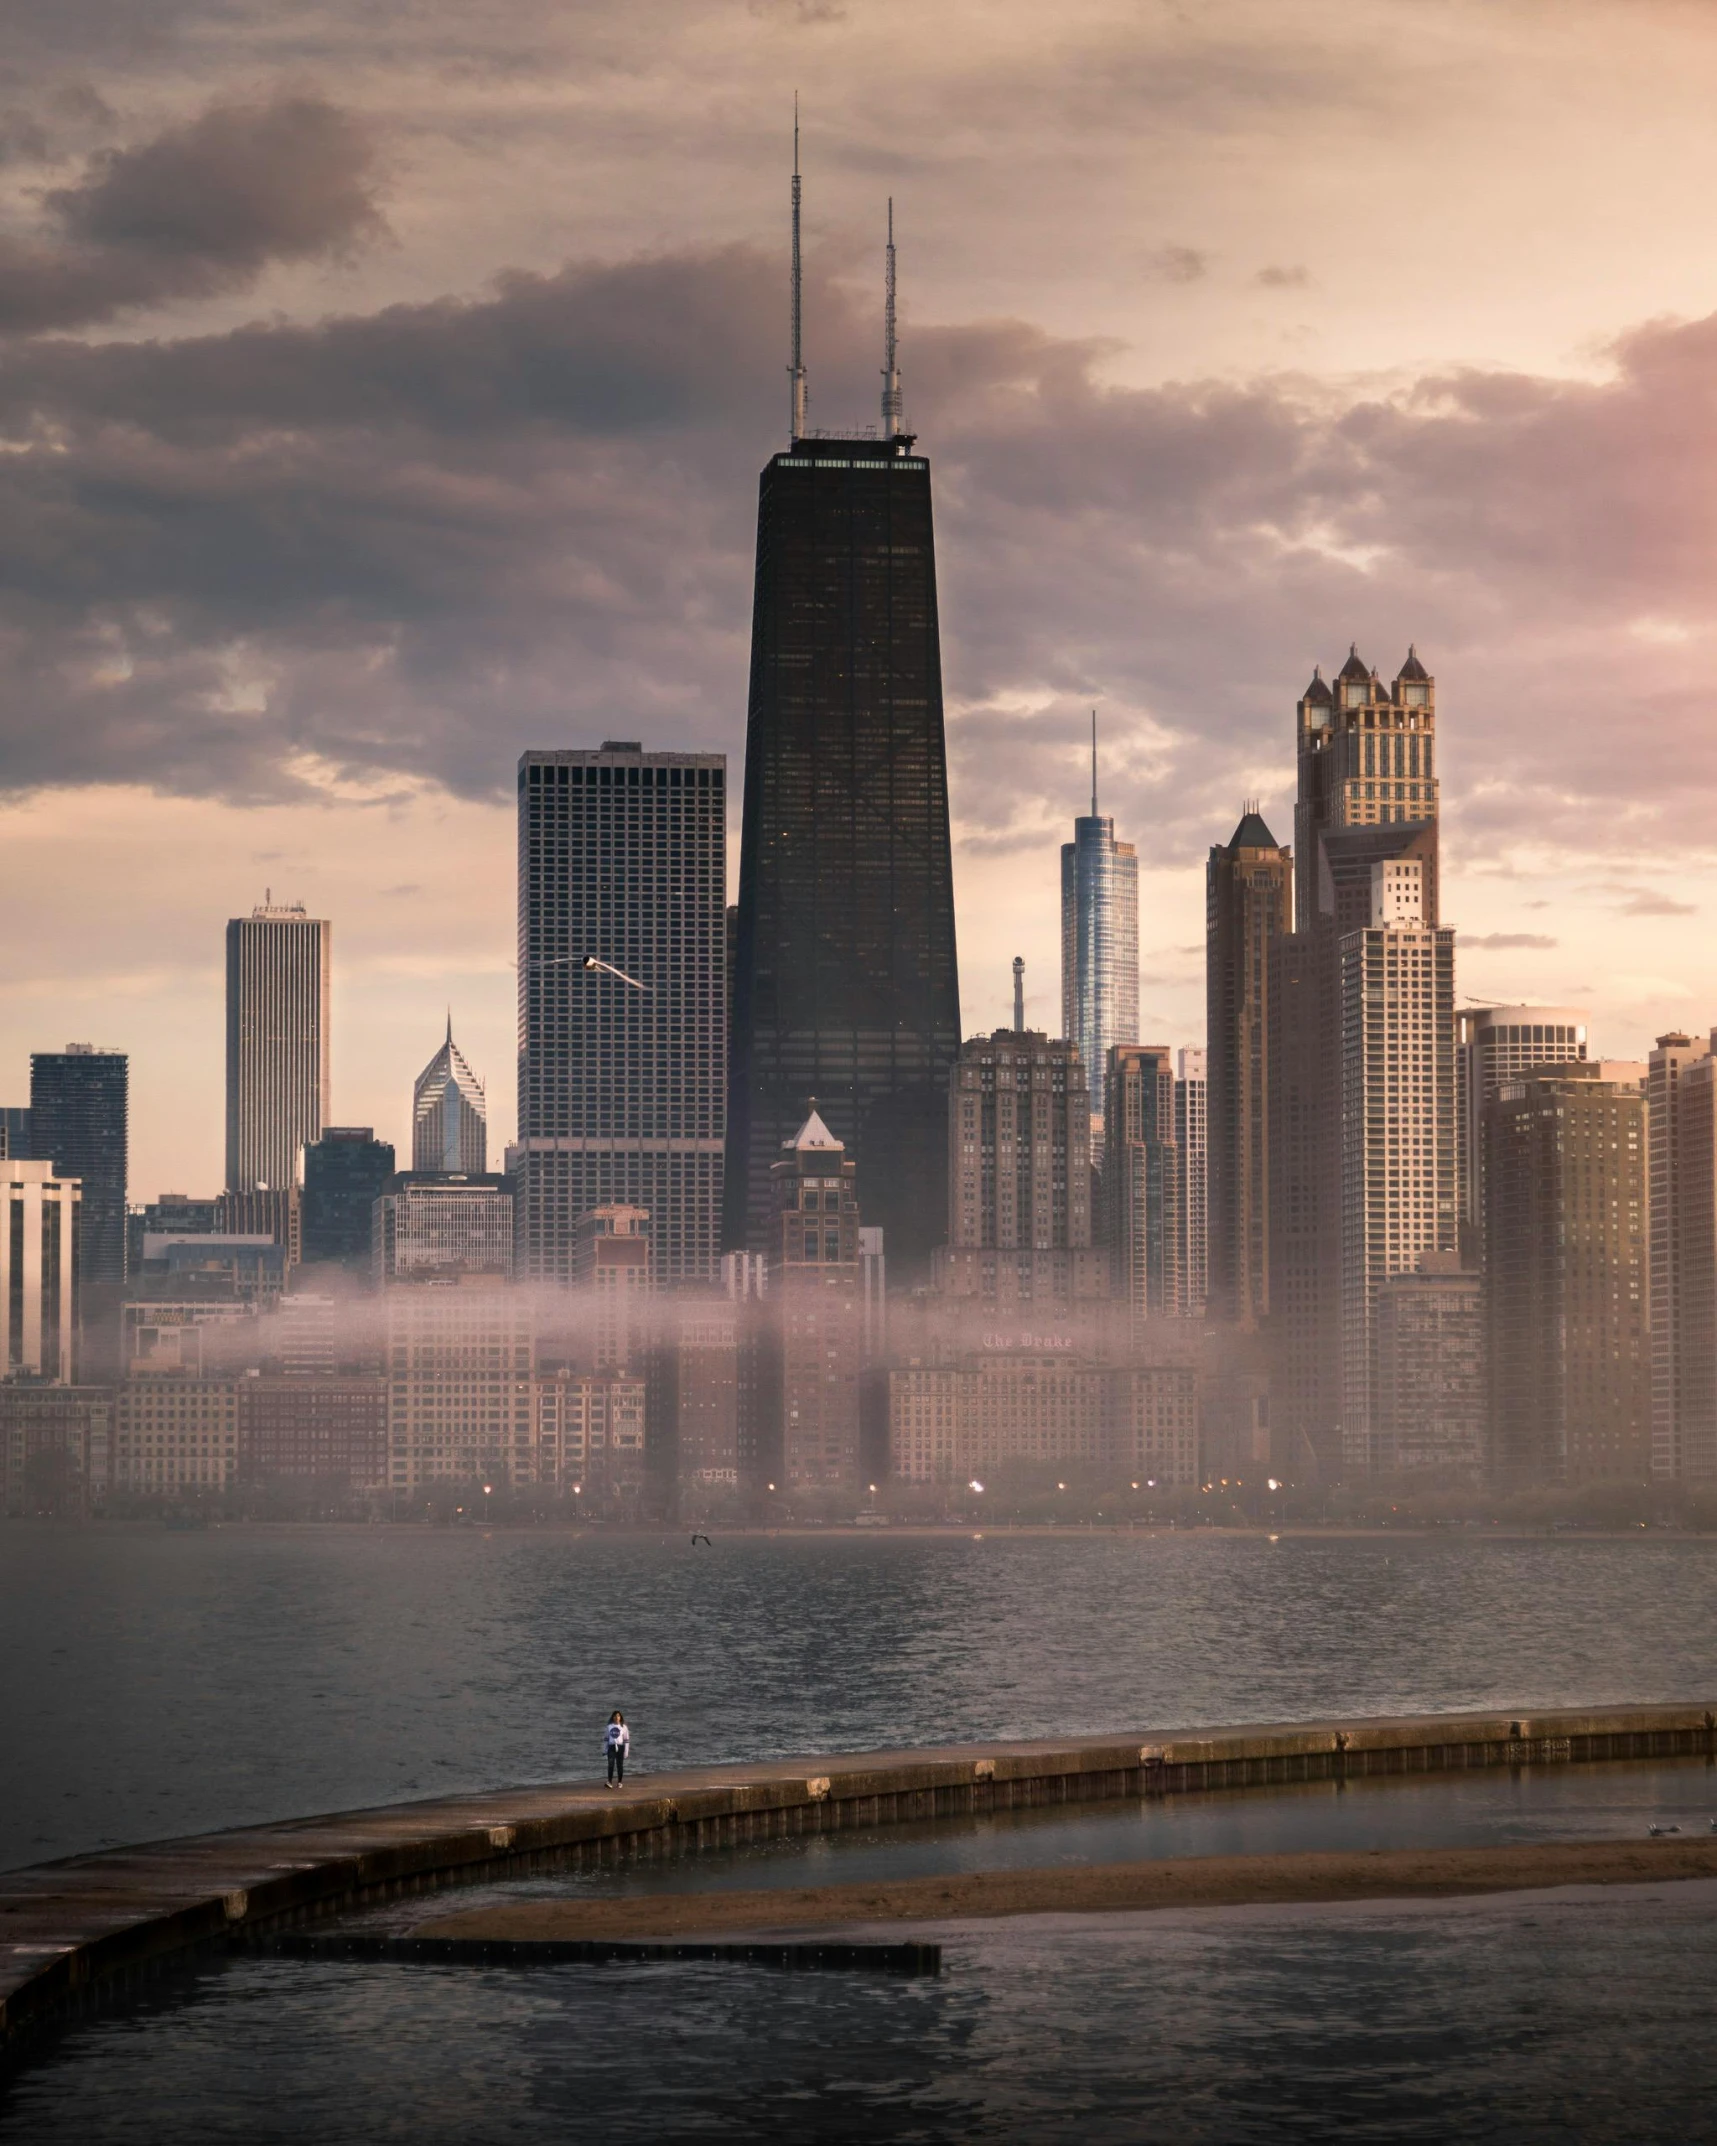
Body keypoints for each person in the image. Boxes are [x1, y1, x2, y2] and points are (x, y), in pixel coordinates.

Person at [604, 1710, 629, 1786]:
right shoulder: (609, 1726)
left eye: (618, 1716)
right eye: (615, 1716)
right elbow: (606, 1739)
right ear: (612, 1717)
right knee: (610, 1764)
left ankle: (619, 1782)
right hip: (611, 1747)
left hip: (620, 1747)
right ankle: (609, 1782)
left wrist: (626, 1751)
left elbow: (626, 1740)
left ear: (620, 1717)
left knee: (619, 1765)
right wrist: (605, 1749)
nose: (616, 1717)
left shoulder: (623, 1727)